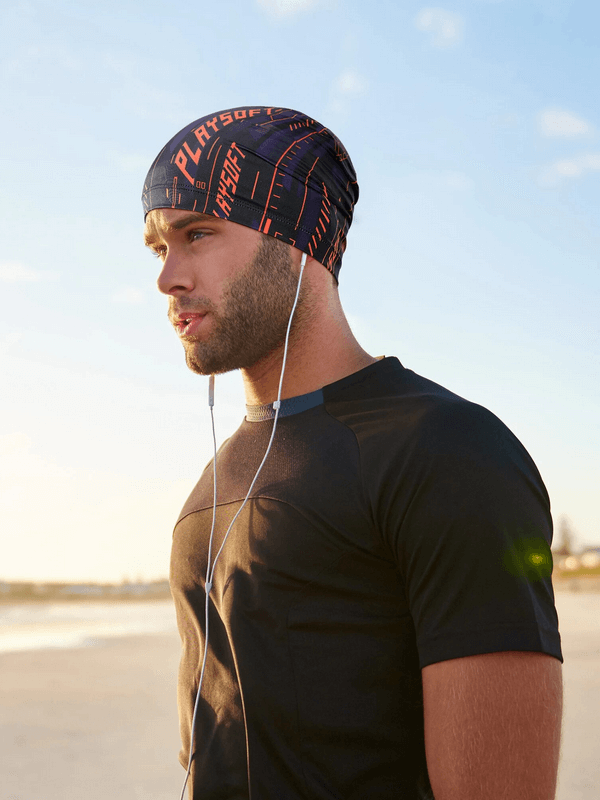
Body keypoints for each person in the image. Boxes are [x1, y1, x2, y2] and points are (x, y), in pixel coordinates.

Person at [142, 106, 563, 800]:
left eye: (198, 233)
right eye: (159, 247)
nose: (168, 278)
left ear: (296, 237)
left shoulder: (446, 451)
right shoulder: (220, 473)